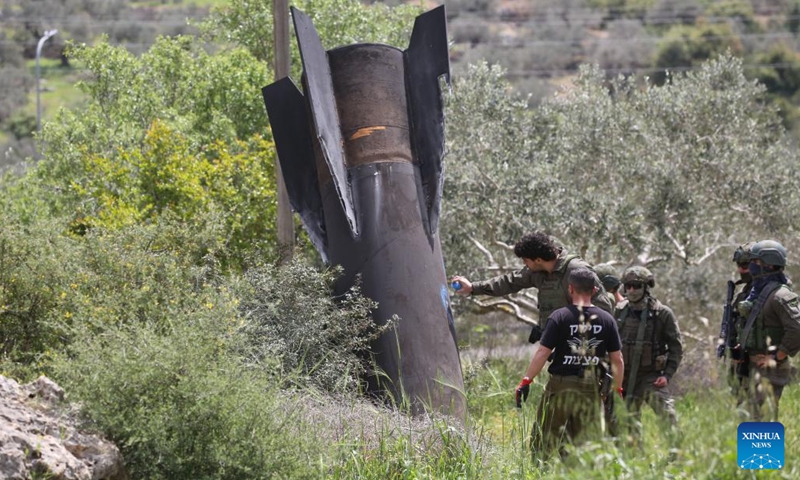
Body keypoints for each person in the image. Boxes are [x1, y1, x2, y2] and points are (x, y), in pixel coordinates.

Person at [514, 268, 624, 458]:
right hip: (591, 388)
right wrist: (617, 389)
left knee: (544, 440)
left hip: (560, 387)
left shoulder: (560, 316)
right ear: (595, 290)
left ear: (570, 288)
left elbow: (542, 352)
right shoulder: (607, 320)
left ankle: (541, 473)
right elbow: (618, 359)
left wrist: (526, 380)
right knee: (583, 446)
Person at [451, 231, 613, 343]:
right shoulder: (537, 272)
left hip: (584, 349)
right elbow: (509, 282)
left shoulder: (576, 271)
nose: (524, 264)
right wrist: (472, 288)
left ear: (538, 260)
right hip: (560, 346)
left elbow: (604, 310)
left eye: (525, 260)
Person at [733, 240, 800, 420]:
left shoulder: (781, 296)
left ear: (769, 264)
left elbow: (797, 329)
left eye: (755, 262)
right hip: (754, 366)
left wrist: (777, 356)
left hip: (770, 370)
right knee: (749, 417)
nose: (752, 267)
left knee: (763, 419)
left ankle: (766, 450)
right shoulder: (761, 292)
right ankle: (751, 450)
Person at [616, 266, 683, 441]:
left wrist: (667, 375)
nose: (631, 290)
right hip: (624, 377)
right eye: (628, 286)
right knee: (624, 423)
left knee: (668, 416)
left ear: (646, 287)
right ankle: (633, 461)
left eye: (636, 286)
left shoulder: (662, 313)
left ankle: (676, 458)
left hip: (650, 377)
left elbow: (676, 348)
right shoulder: (619, 311)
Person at [719, 242, 755, 396]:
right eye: (739, 265)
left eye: (745, 265)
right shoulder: (742, 294)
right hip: (739, 361)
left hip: (755, 361)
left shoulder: (767, 293)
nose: (741, 269)